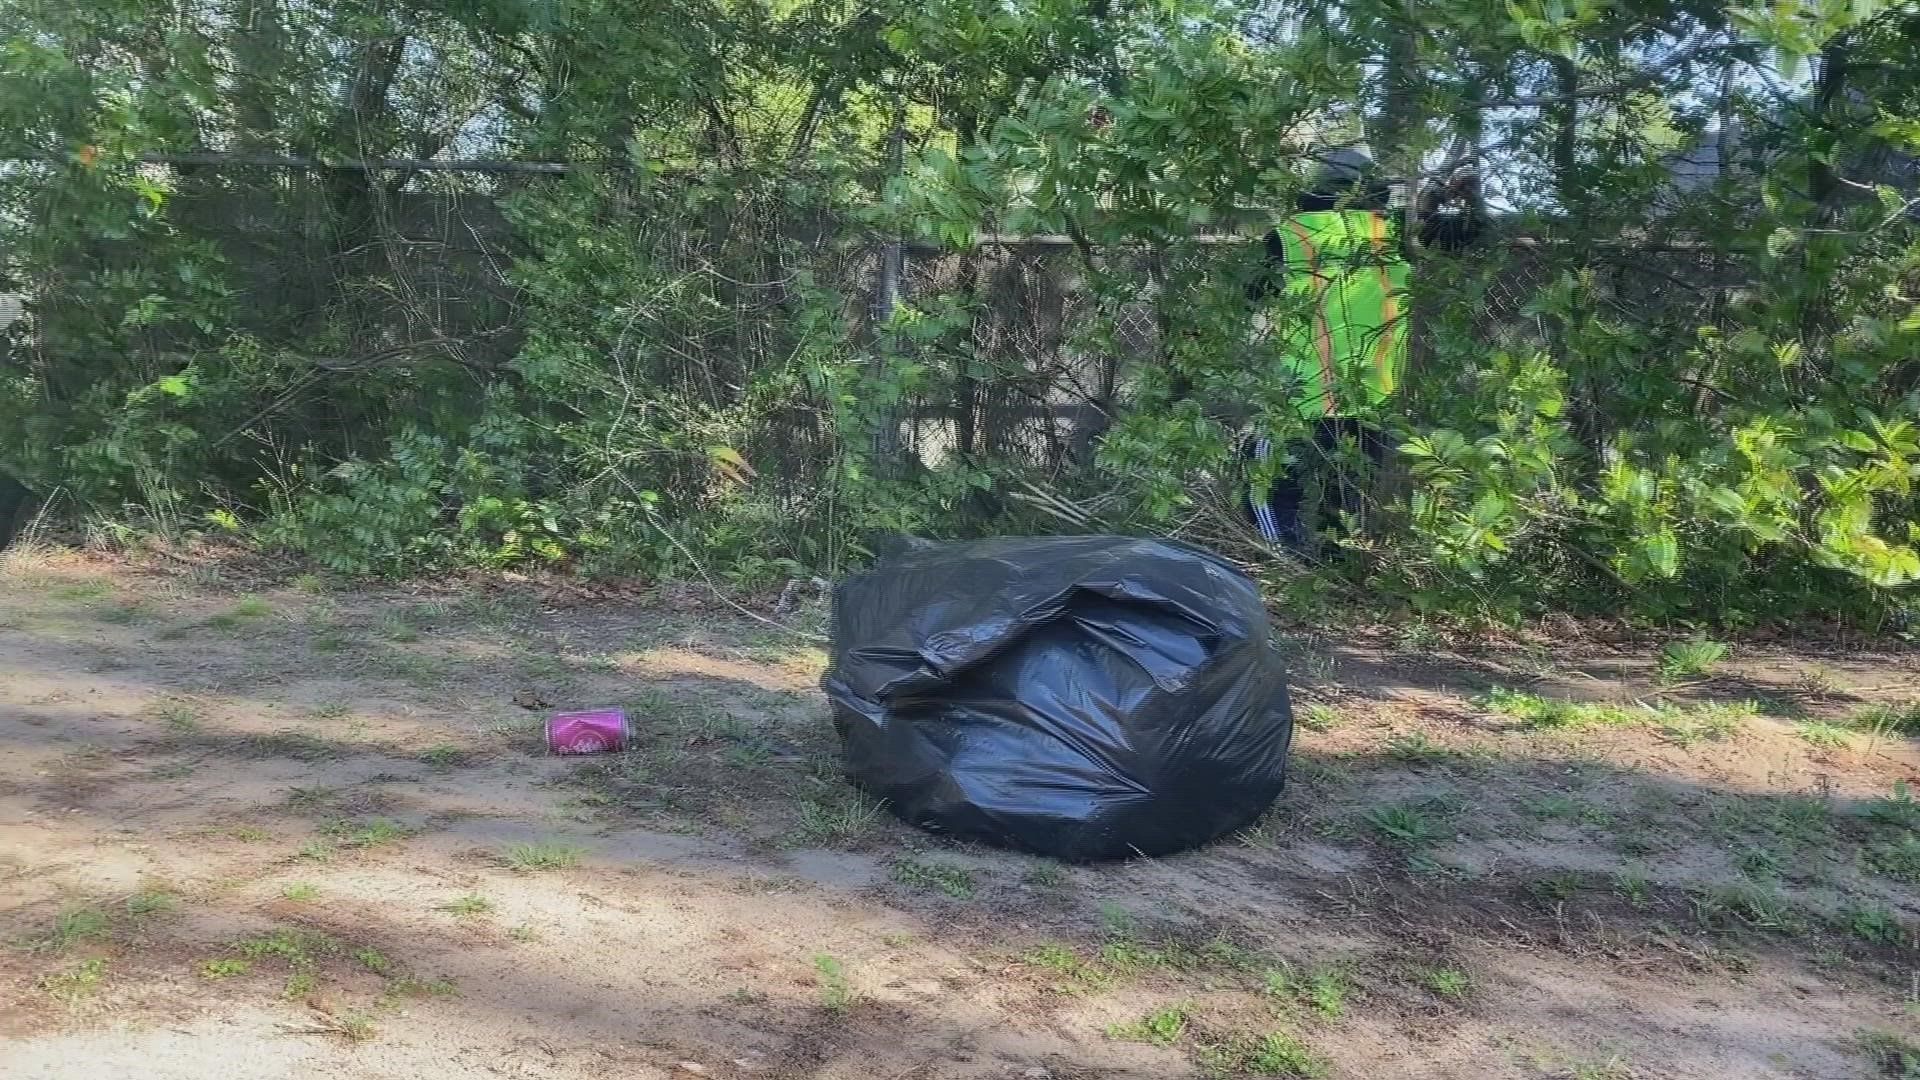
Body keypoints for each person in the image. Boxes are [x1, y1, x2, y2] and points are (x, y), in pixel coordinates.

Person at [1243, 148, 1482, 550]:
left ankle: (1281, 564)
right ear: (1373, 189)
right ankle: (1340, 564)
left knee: (1271, 486)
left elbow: (1251, 295)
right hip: (1376, 392)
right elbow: (1472, 231)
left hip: (1303, 390)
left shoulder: (1288, 236)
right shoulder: (1397, 230)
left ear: (1316, 188)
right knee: (1351, 492)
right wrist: (1465, 196)